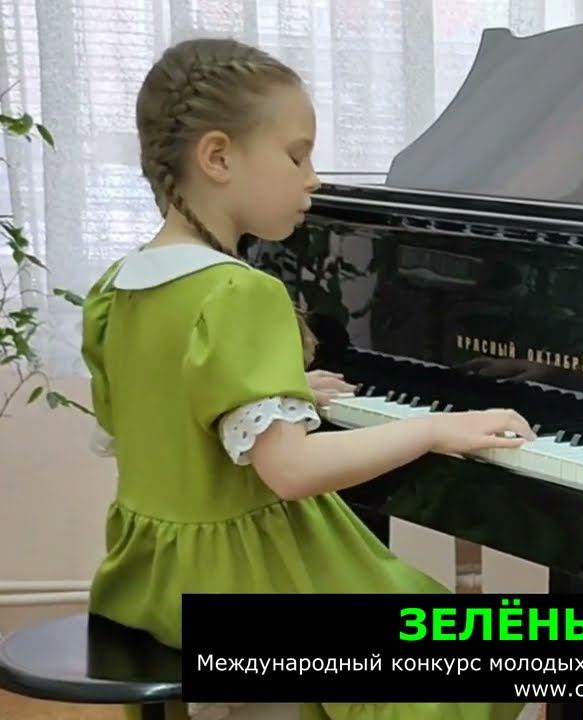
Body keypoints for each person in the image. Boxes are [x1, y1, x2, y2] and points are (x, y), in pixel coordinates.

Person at [80, 37, 535, 720]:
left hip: (148, 586)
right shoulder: (240, 292)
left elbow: (155, 416)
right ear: (218, 157)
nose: (313, 178)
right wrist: (432, 429)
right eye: (297, 155)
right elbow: (291, 471)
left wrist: (279, 396)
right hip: (245, 586)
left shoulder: (118, 287)